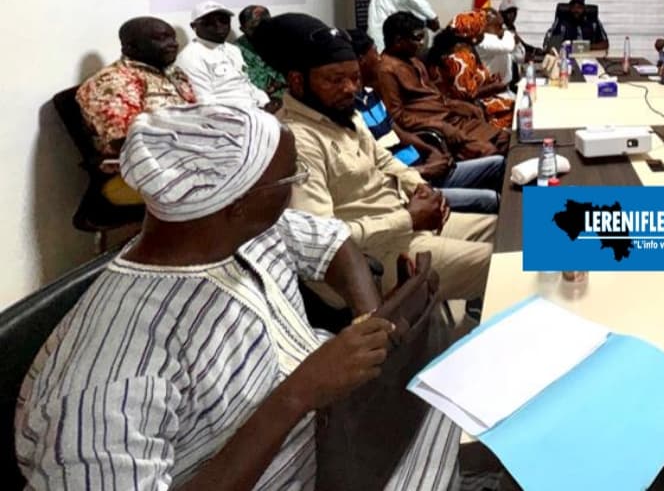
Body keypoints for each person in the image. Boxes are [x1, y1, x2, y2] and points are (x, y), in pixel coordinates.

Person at [15, 105, 461, 490]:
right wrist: (297, 395)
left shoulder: (236, 231)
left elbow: (334, 242)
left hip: (348, 429)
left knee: (468, 406)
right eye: (292, 177)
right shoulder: (111, 373)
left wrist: (370, 317)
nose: (297, 186)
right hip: (312, 469)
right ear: (238, 201)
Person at [255, 13, 495, 303]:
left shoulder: (343, 113)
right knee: (506, 264)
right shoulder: (297, 141)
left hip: (404, 219)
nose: (350, 89)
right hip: (371, 257)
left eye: (354, 78)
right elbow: (320, 240)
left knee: (516, 228)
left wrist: (418, 186)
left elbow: (384, 160)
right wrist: (407, 219)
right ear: (297, 81)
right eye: (335, 80)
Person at [350, 27, 503, 214]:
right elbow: (378, 172)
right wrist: (424, 169)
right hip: (410, 185)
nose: (379, 58)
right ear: (360, 61)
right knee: (492, 198)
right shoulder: (351, 113)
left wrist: (432, 152)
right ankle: (529, 227)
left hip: (426, 162)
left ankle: (535, 224)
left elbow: (399, 131)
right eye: (375, 53)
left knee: (501, 162)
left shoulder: (370, 95)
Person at [76, 16, 197, 205]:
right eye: (161, 38)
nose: (173, 44)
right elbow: (128, 144)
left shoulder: (172, 72)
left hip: (185, 157)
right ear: (130, 47)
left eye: (172, 37)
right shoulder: (112, 82)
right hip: (138, 173)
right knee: (228, 179)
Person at [377, 12, 511, 160]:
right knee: (489, 152)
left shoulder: (414, 61)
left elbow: (436, 96)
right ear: (398, 40)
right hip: (436, 129)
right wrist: (438, 125)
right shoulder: (386, 70)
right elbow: (397, 117)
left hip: (450, 117)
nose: (421, 43)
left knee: (505, 138)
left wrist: (458, 105)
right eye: (417, 38)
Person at [425, 10, 516, 129]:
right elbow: (465, 95)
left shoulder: (458, 49)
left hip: (471, 103)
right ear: (473, 36)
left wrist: (489, 82)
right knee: (515, 114)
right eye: (481, 31)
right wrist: (492, 88)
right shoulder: (460, 57)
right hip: (459, 111)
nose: (483, 34)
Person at [176, 0, 272, 110]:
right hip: (232, 115)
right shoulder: (190, 57)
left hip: (256, 108)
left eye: (223, 20)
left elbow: (246, 84)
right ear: (194, 26)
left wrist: (265, 102)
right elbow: (205, 104)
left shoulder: (233, 50)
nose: (218, 26)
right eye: (209, 22)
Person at [237, 3, 288, 103]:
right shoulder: (235, 51)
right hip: (259, 101)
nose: (260, 31)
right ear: (243, 29)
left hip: (289, 95)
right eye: (253, 28)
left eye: (264, 25)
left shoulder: (283, 40)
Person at [476, 7, 518, 89]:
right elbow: (508, 46)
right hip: (488, 91)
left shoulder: (498, 39)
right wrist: (507, 33)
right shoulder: (482, 40)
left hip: (502, 87)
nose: (501, 29)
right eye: (498, 26)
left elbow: (518, 55)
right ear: (486, 25)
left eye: (501, 26)